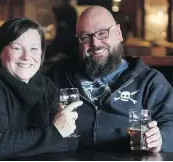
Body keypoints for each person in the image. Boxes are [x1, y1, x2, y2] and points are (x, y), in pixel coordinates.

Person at [47, 6, 173, 152]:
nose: (95, 43)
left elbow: (170, 122)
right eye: (85, 36)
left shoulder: (149, 81)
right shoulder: (58, 75)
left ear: (119, 33)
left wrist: (161, 138)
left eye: (102, 33)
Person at [0, 18, 82, 160]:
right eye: (17, 48)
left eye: (34, 49)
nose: (26, 56)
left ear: (41, 54)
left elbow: (72, 139)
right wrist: (54, 134)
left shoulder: (44, 84)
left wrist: (28, 142)